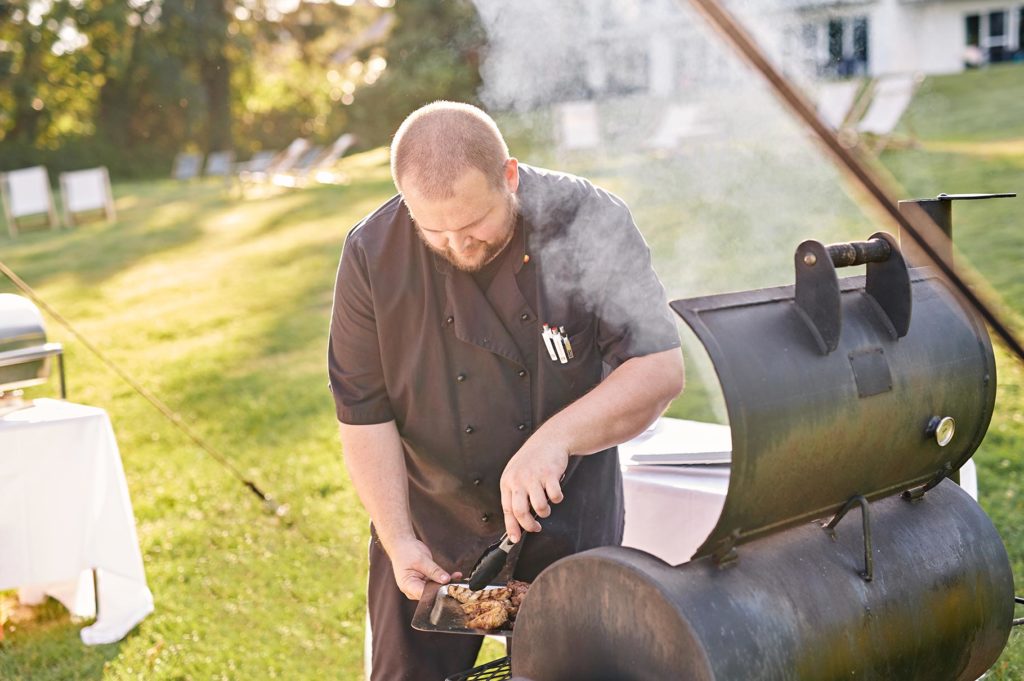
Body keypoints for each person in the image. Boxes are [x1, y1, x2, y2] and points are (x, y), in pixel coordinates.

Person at [328, 101, 684, 680]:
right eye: (435, 231)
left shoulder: (586, 221)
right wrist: (396, 537)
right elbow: (363, 414)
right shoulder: (372, 254)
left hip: (568, 523)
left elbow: (659, 369)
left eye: (474, 226)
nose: (459, 247)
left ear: (509, 176)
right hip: (429, 525)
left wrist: (556, 439)